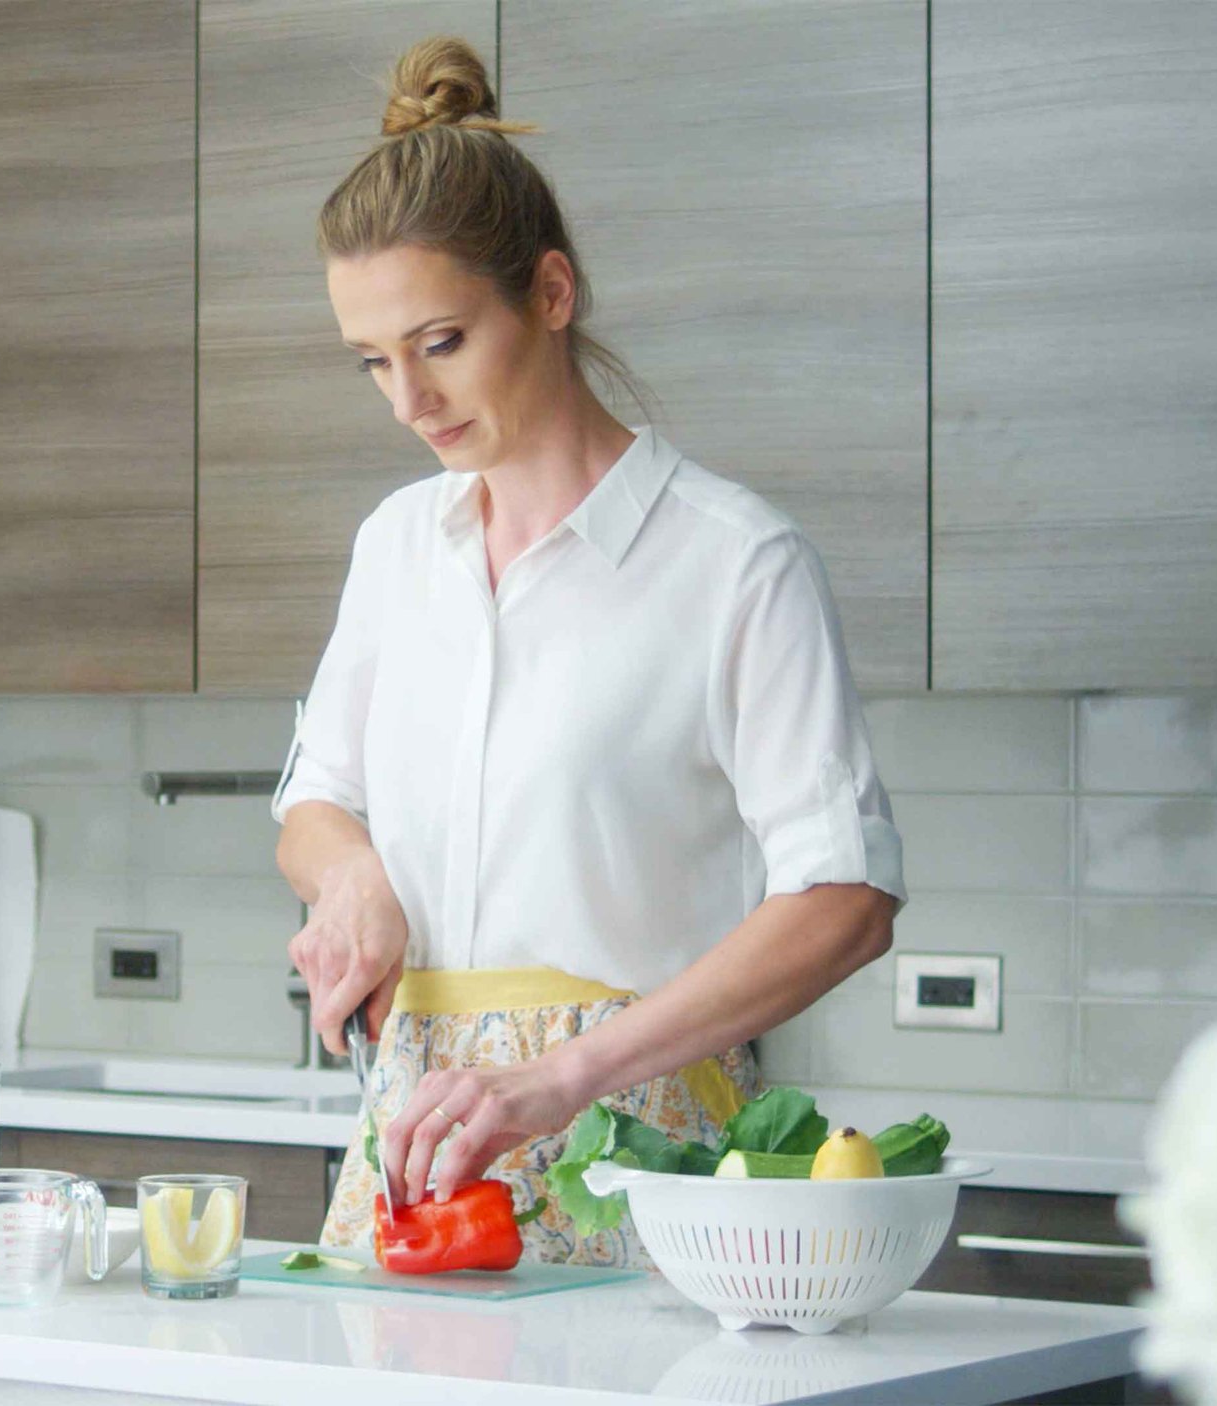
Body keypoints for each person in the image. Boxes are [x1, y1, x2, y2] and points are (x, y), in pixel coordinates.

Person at [276, 36, 907, 1267]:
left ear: (550, 293)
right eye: (372, 361)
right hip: (413, 1161)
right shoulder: (396, 546)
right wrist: (348, 876)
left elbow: (845, 896)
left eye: (440, 341)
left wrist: (564, 1076)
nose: (408, 399)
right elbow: (315, 800)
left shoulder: (733, 561)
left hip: (643, 1158)